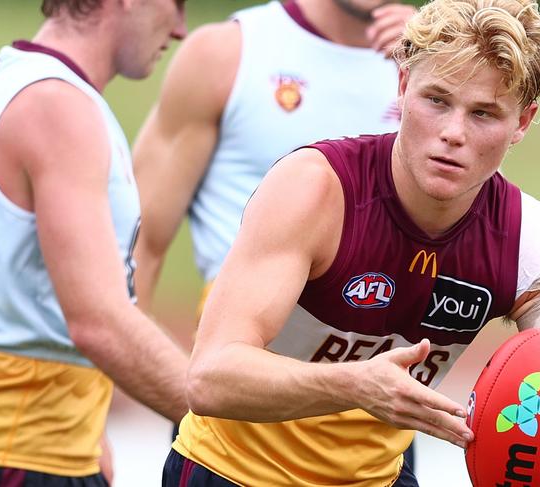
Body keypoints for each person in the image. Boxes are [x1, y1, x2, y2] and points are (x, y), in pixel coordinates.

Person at [162, 0, 540, 485]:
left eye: (484, 114)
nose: (453, 133)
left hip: (378, 478)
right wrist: (355, 385)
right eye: (437, 101)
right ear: (403, 86)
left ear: (523, 123)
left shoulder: (536, 249)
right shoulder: (315, 190)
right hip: (231, 471)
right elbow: (210, 377)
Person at [131, 0, 419, 467]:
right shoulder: (230, 53)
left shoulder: (430, 63)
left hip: (378, 404)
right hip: (241, 393)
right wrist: (101, 413)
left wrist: (435, 64)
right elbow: (137, 243)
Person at [0, 1, 189, 485]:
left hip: (53, 446)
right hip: (26, 456)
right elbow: (100, 322)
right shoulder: (57, 105)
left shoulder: (22, 79)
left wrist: (90, 428)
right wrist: (237, 423)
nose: (182, 28)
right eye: (178, 4)